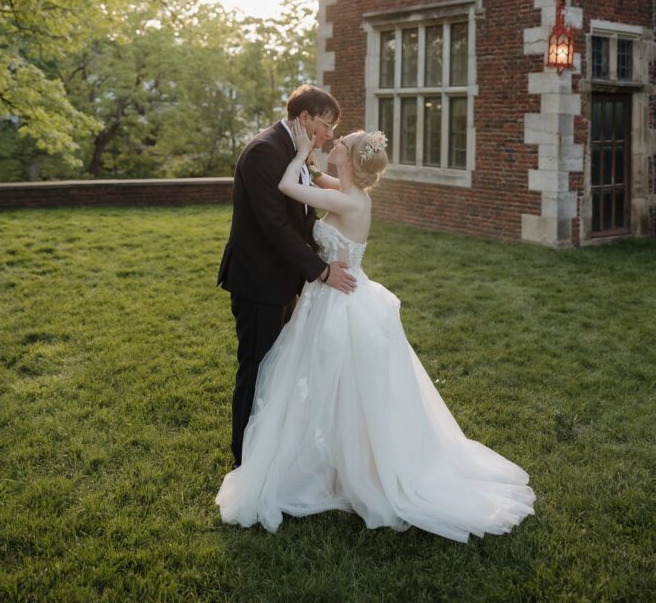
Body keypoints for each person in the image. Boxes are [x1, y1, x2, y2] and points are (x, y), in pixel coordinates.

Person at [216, 123, 536, 540]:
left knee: (342, 383)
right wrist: (309, 156)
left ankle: (351, 467)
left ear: (348, 158)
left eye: (342, 143)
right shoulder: (345, 190)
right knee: (332, 382)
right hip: (331, 297)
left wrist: (297, 155)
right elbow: (313, 178)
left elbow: (288, 185)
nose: (336, 141)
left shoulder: (347, 201)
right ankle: (331, 460)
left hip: (339, 303)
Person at [217, 85, 356, 467]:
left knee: (276, 369)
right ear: (304, 119)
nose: (328, 134)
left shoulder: (297, 152)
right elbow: (275, 226)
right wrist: (321, 270)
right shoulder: (264, 151)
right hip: (259, 280)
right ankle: (244, 459)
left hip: (284, 280)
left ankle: (268, 446)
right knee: (257, 368)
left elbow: (304, 215)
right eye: (326, 125)